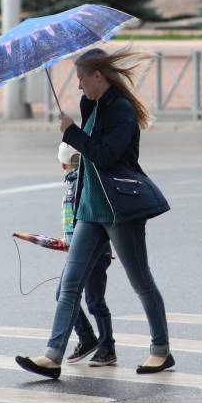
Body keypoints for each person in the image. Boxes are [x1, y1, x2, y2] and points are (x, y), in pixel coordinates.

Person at [16, 47, 173, 378]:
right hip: (91, 209)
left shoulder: (122, 110)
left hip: (119, 210)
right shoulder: (94, 105)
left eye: (81, 78)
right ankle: (52, 356)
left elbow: (104, 156)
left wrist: (71, 132)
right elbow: (88, 157)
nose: (78, 86)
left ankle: (161, 351)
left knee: (140, 280)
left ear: (97, 76)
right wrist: (79, 123)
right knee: (70, 284)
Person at [56, 143, 116, 366]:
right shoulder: (81, 183)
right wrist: (67, 242)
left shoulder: (80, 185)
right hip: (82, 251)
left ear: (63, 164)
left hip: (92, 252)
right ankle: (89, 338)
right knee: (74, 296)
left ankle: (106, 347)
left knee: (93, 300)